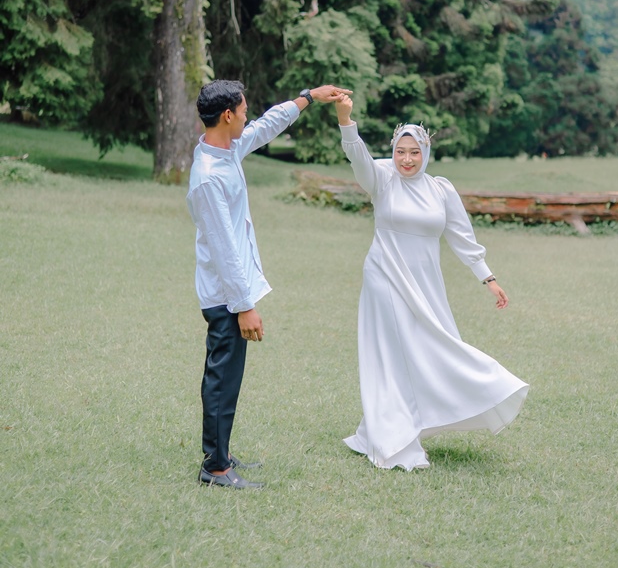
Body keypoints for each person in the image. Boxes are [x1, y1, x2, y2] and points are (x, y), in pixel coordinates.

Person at [334, 93, 529, 471]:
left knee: (434, 347)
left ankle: (379, 428)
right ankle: (394, 438)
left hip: (426, 284)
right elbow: (357, 157)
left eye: (414, 152)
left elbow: (462, 236)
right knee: (393, 355)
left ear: (425, 153)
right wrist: (346, 122)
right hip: (385, 276)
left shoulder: (441, 189)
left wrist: (487, 277)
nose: (406, 159)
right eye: (400, 151)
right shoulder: (382, 178)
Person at [187, 79, 350, 489]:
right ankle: (215, 468)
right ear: (228, 115)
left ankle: (220, 453)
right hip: (226, 296)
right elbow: (224, 248)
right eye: (243, 110)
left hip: (232, 293)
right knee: (222, 380)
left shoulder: (226, 149)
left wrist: (307, 98)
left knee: (228, 378)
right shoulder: (208, 176)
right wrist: (245, 306)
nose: (248, 116)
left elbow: (265, 126)